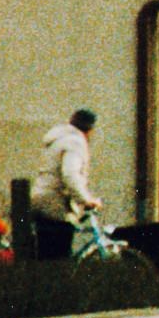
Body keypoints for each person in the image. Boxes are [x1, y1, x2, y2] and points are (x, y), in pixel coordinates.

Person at [36, 108, 101, 260]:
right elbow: (70, 175)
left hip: (43, 198)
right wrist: (86, 200)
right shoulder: (75, 142)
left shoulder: (59, 139)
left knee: (45, 256)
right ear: (90, 129)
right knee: (58, 258)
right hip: (55, 203)